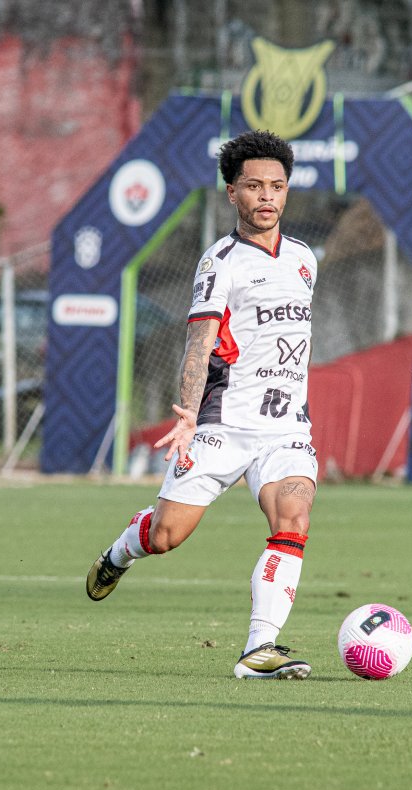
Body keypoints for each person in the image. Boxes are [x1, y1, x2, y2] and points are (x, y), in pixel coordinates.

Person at [85, 130, 318, 680]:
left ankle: (260, 648)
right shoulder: (221, 262)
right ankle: (120, 553)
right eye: (254, 186)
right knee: (166, 537)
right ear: (231, 192)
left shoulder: (306, 260)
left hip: (286, 427)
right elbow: (201, 340)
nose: (267, 196)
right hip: (220, 422)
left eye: (277, 186)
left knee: (295, 516)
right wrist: (188, 412)